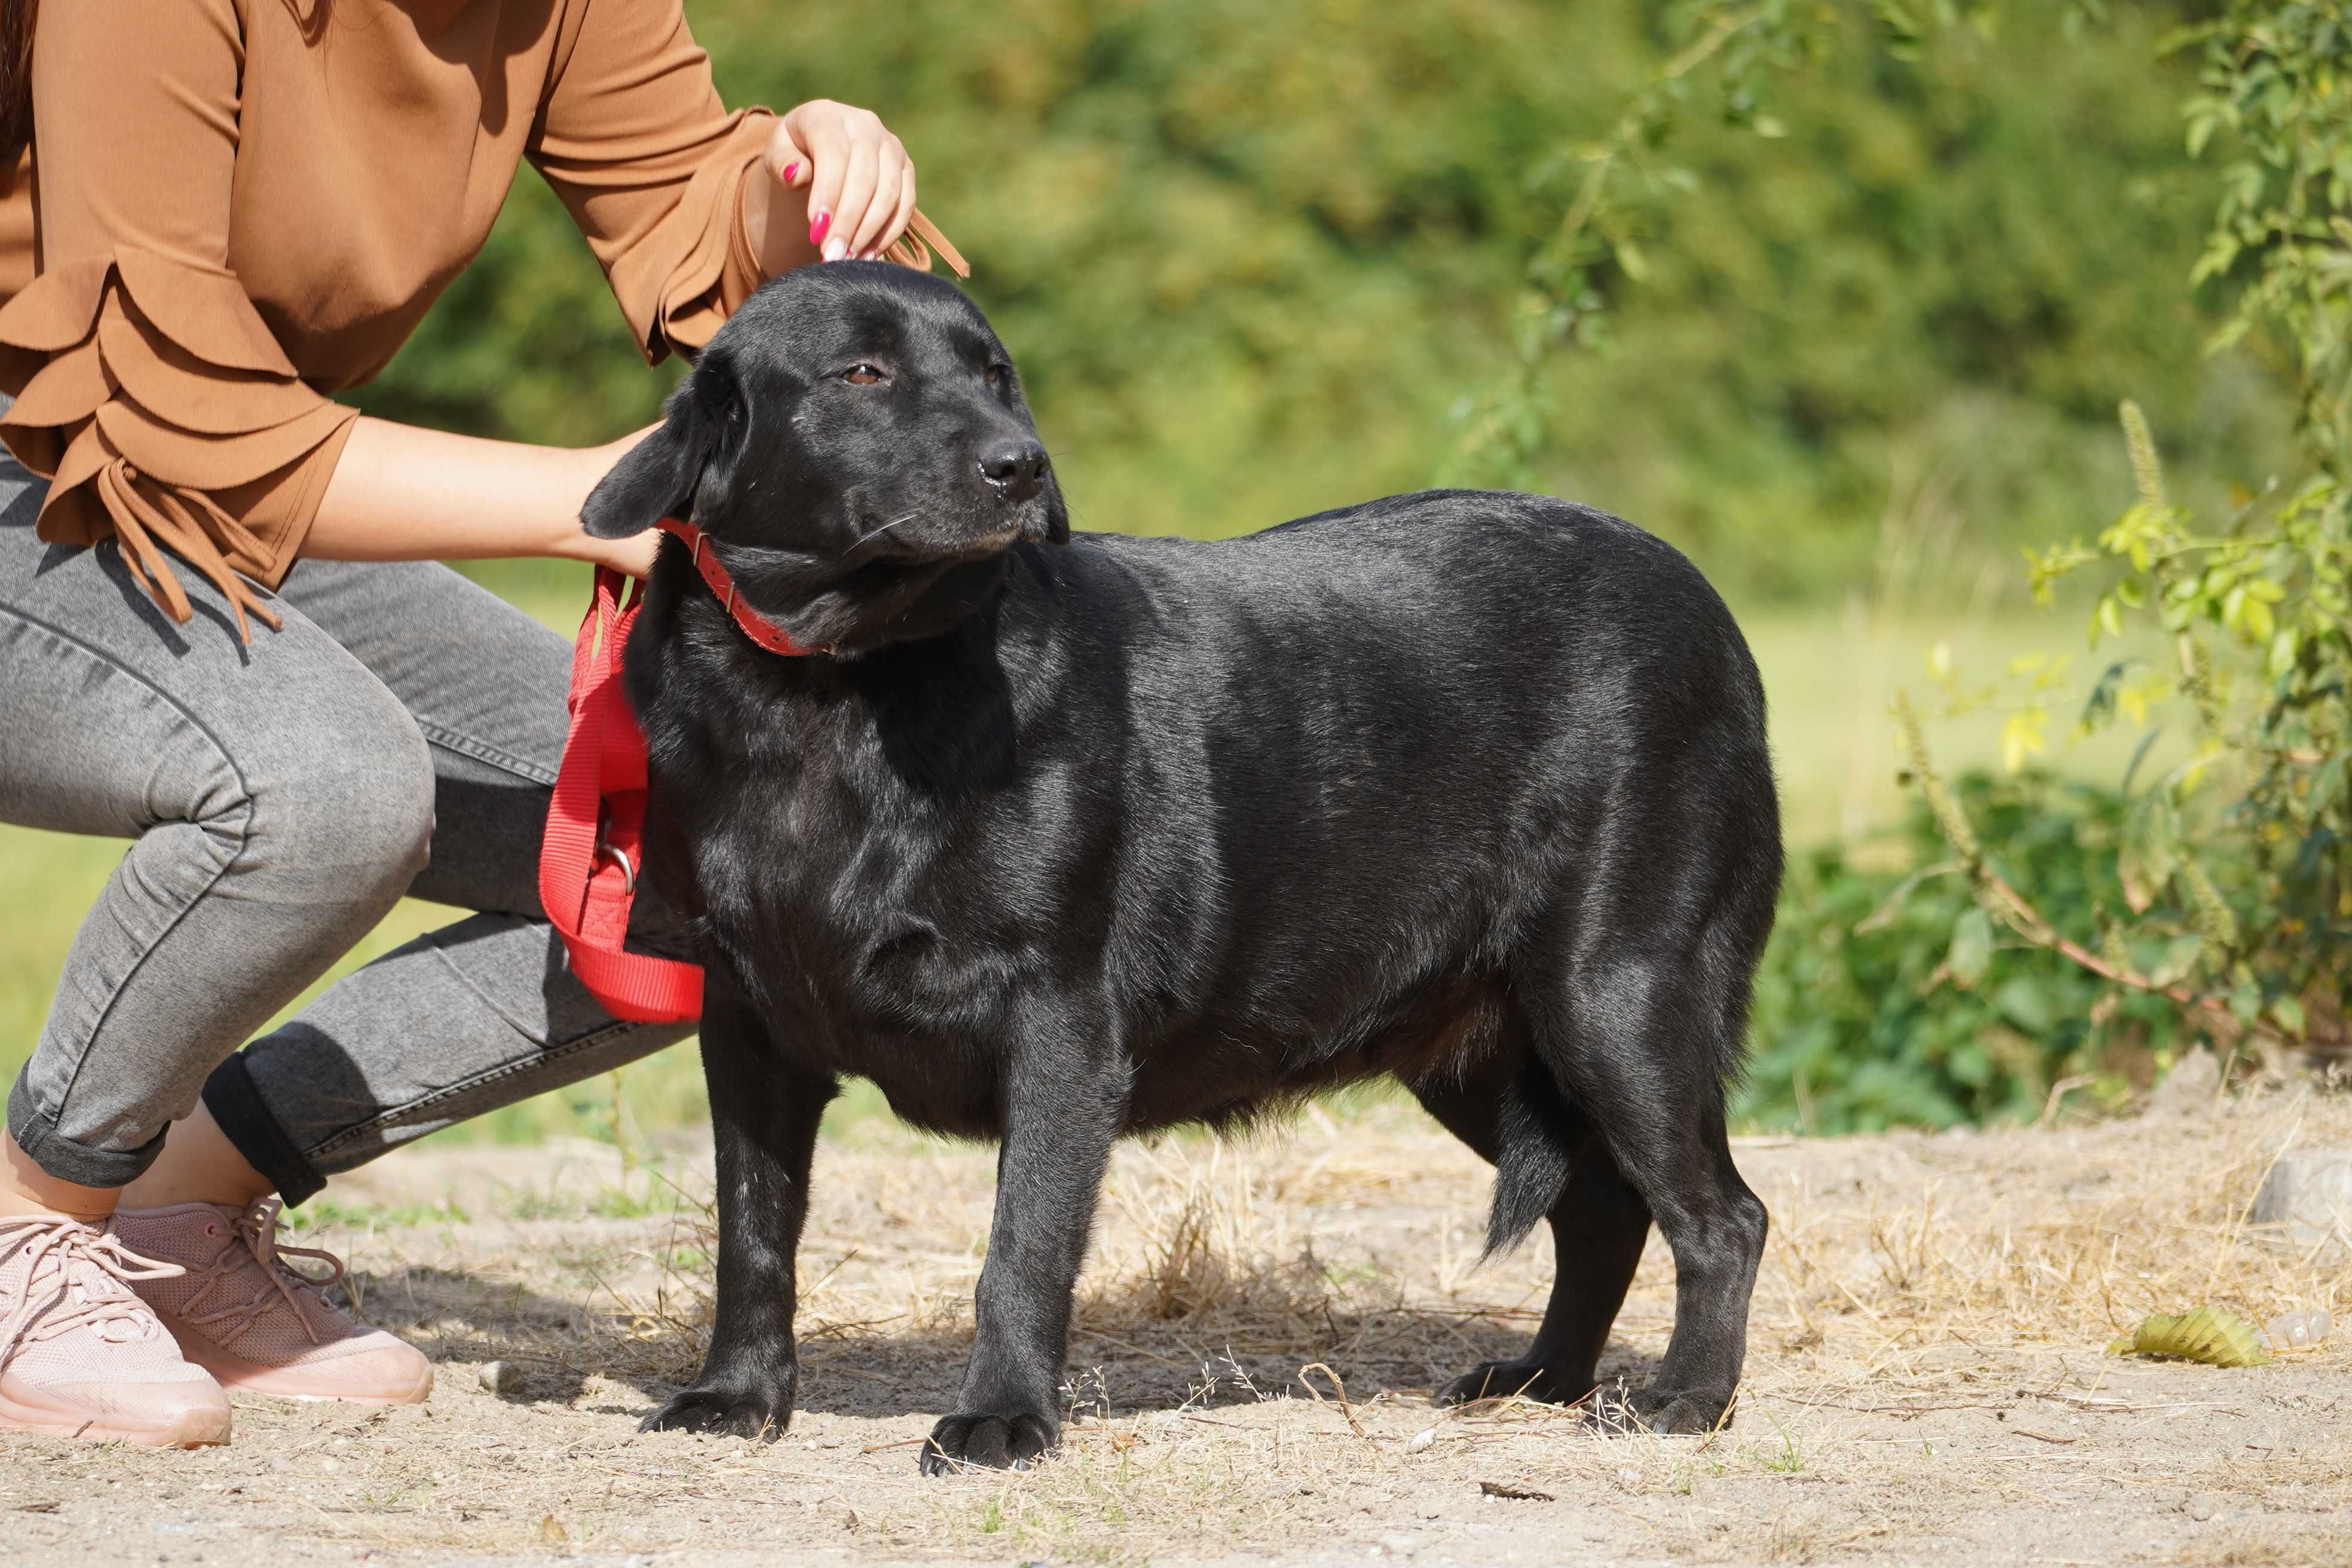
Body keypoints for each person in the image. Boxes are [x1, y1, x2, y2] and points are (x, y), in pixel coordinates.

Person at [0, 0, 956, 1447]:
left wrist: (801, 172)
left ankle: (178, 1208)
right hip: (67, 464)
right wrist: (598, 500)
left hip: (231, 486)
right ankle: (29, 1222)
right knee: (322, 790)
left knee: (714, 844)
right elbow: (159, 413)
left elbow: (699, 223)